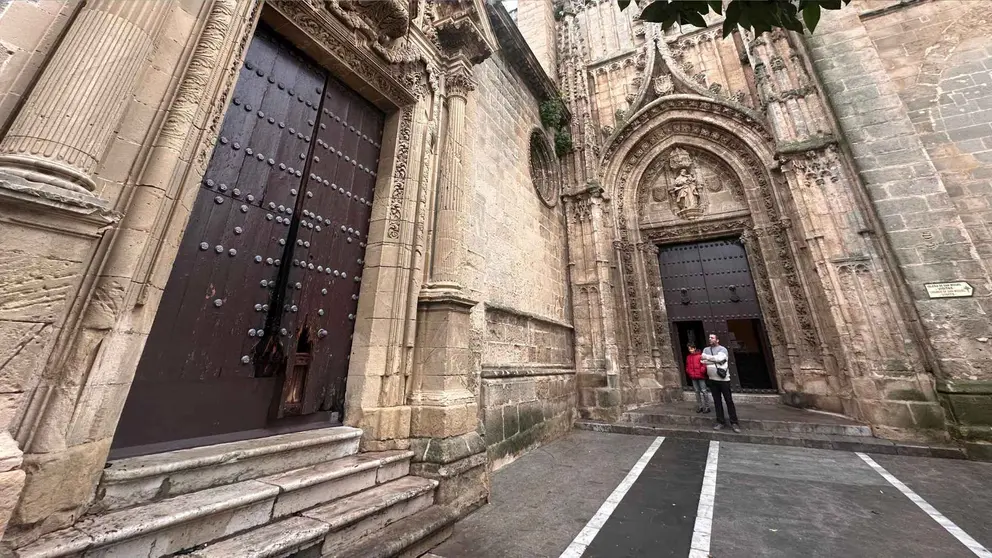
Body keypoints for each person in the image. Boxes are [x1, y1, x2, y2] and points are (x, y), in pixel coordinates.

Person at [700, 333, 740, 433]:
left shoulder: (723, 349)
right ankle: (720, 421)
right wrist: (713, 360)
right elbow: (702, 361)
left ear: (717, 340)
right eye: (709, 338)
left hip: (724, 380)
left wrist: (708, 359)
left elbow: (720, 359)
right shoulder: (706, 350)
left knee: (729, 401)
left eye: (712, 338)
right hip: (712, 379)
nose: (710, 339)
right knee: (717, 401)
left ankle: (734, 422)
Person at [684, 343, 711, 414]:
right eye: (689, 349)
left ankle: (707, 406)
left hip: (700, 376)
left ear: (695, 348)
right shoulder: (688, 357)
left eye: (692, 349)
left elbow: (704, 365)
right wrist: (689, 372)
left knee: (704, 391)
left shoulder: (700, 356)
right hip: (693, 376)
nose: (690, 350)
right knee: (696, 391)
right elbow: (687, 366)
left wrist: (702, 371)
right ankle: (700, 406)